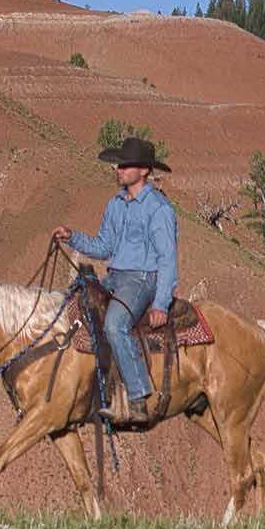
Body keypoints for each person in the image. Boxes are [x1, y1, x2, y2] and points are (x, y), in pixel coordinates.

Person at [53, 135, 178, 426]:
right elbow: (103, 247)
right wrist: (72, 236)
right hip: (114, 277)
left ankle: (138, 398)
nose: (117, 170)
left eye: (124, 165)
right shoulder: (116, 204)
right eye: (117, 165)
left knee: (114, 324)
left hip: (142, 279)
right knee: (73, 305)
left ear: (144, 170)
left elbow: (168, 259)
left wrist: (161, 303)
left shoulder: (159, 208)